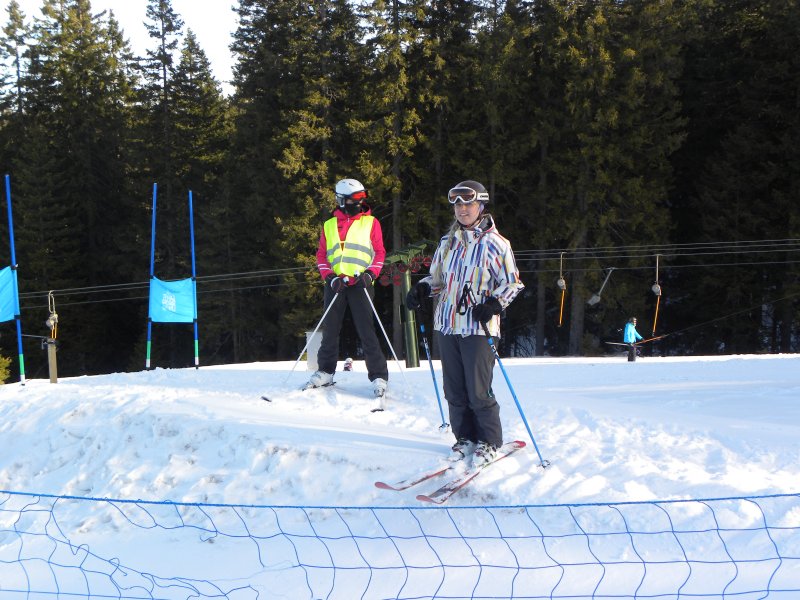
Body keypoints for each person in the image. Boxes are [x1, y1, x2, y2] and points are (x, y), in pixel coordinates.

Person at [405, 180, 524, 467]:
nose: (462, 209)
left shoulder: (497, 244)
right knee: (454, 390)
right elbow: (437, 280)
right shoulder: (447, 242)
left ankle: (489, 441)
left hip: (478, 329)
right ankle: (465, 438)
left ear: (480, 206)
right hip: (447, 325)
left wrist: (495, 304)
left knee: (478, 390)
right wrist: (422, 288)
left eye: (468, 204)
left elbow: (512, 283)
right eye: (457, 205)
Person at [305, 178, 389, 409]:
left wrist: (371, 274)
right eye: (354, 200)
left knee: (366, 330)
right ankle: (325, 371)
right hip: (336, 283)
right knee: (330, 328)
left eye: (362, 198)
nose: (359, 203)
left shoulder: (370, 222)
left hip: (361, 282)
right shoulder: (329, 225)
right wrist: (329, 277)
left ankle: (379, 376)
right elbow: (322, 255)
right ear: (341, 200)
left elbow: (379, 252)